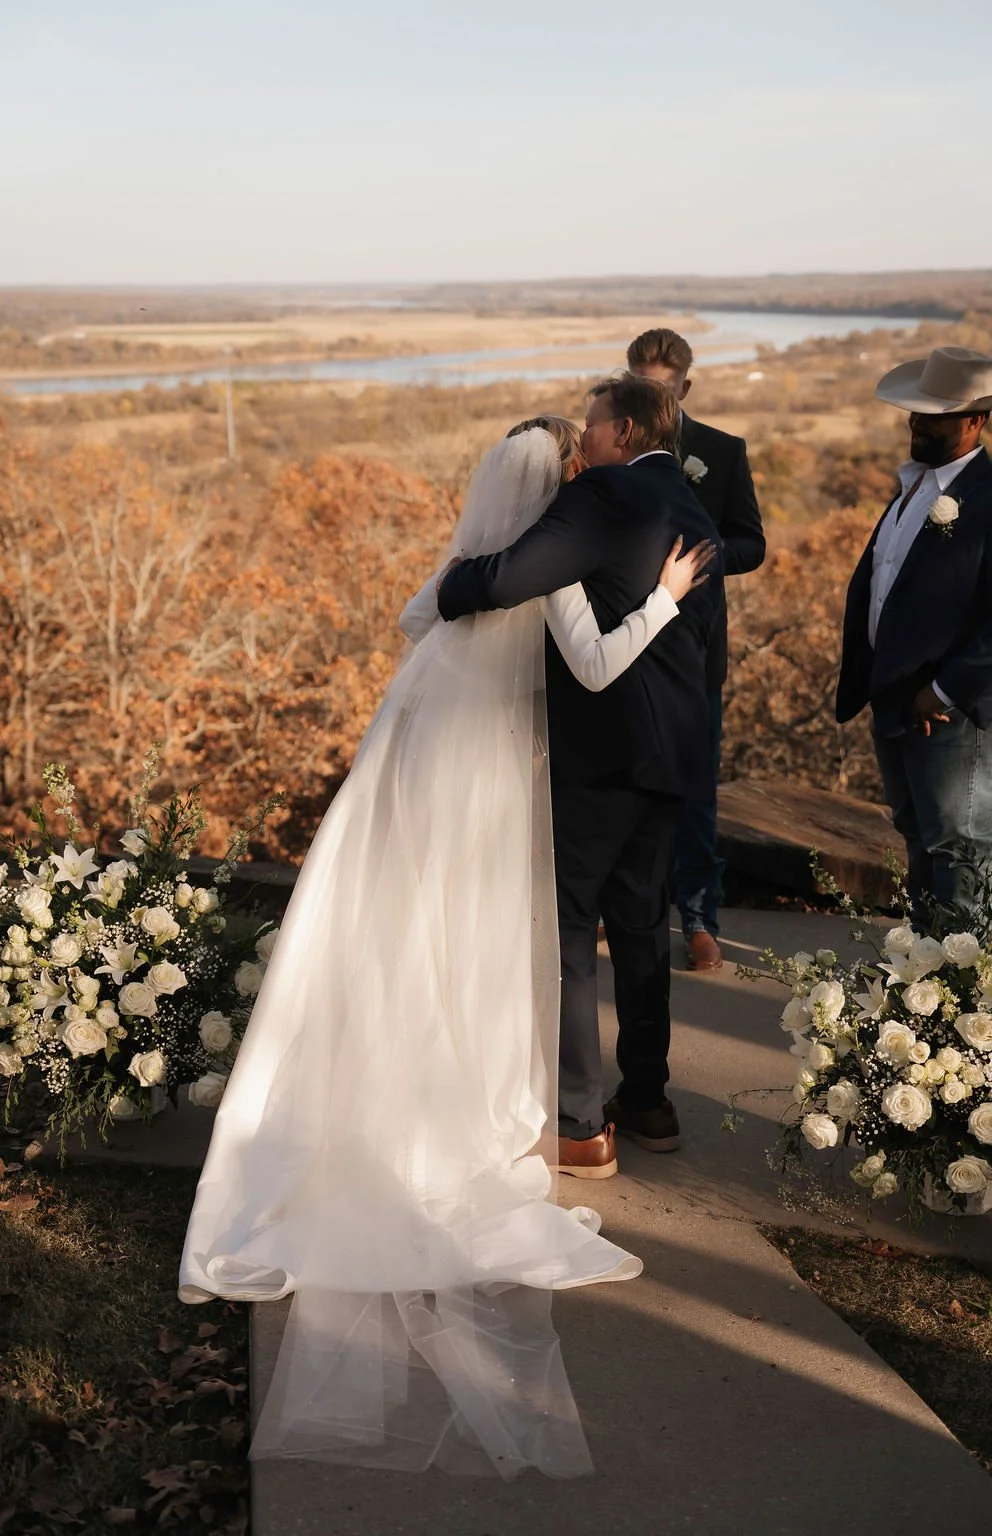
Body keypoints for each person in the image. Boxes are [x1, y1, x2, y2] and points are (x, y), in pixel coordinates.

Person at [179, 418, 714, 1480]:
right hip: (487, 792)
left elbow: (411, 614)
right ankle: (452, 1109)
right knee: (471, 945)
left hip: (418, 764)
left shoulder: (475, 569)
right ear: (557, 485)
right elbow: (598, 669)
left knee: (397, 937)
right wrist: (666, 597)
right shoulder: (555, 577)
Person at [438, 378, 723, 1171]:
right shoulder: (695, 508)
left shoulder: (604, 496)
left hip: (599, 755)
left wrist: (453, 580)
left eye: (593, 422)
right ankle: (649, 1101)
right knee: (640, 930)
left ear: (622, 429)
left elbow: (501, 583)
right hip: (674, 755)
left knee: (568, 929)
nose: (585, 436)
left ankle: (578, 1121)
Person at [836, 345, 992, 912]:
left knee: (961, 850)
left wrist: (940, 690)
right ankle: (922, 988)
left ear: (975, 420)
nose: (917, 421)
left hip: (956, 712)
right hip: (895, 701)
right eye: (916, 410)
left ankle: (966, 995)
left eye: (934, 413)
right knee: (921, 841)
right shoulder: (913, 487)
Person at [627, 328, 765, 971]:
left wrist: (697, 552)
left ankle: (700, 919)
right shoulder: (612, 445)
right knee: (625, 779)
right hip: (622, 643)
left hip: (696, 645)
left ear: (685, 386)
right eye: (638, 385)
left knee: (695, 788)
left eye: (660, 388)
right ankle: (628, 906)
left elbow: (752, 544)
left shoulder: (721, 451)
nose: (647, 398)